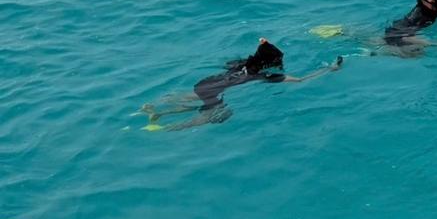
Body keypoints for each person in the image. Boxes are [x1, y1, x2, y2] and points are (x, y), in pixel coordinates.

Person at [139, 39, 341, 131]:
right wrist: (329, 69)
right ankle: (167, 128)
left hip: (206, 83)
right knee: (217, 114)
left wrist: (264, 44)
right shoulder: (265, 75)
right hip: (217, 91)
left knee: (198, 96)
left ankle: (155, 107)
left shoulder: (242, 63)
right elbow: (301, 80)